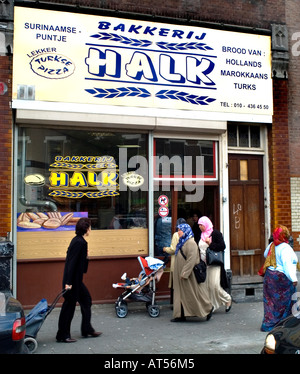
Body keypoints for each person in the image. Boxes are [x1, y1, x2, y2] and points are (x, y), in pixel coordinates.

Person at [56, 217, 102, 343]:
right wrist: (68, 283)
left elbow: (82, 269)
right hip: (72, 282)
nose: (90, 229)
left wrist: (86, 258)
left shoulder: (78, 241)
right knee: (69, 307)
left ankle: (87, 328)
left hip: (76, 281)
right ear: (86, 228)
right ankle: (63, 335)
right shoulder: (79, 242)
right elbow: (71, 264)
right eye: (90, 227)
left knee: (86, 300)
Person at [171, 223, 213, 322]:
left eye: (180, 230)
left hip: (188, 275)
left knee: (194, 294)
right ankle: (180, 315)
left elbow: (191, 259)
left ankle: (208, 309)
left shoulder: (191, 243)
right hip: (181, 274)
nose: (178, 232)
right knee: (180, 294)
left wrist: (185, 273)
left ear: (185, 231)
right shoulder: (182, 242)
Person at [261, 224, 299, 332]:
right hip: (281, 278)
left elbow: (265, 255)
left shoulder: (272, 245)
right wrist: (293, 279)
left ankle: (269, 323)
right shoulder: (286, 248)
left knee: (270, 301)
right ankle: (285, 323)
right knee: (288, 300)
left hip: (270, 277)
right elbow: (287, 265)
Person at [198, 216, 232, 312]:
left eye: (201, 225)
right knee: (207, 286)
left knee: (214, 285)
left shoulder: (215, 234)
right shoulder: (201, 235)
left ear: (206, 224)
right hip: (204, 264)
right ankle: (211, 306)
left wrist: (210, 244)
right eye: (199, 225)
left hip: (214, 264)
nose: (200, 226)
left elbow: (222, 246)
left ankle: (227, 299)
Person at [163, 218, 186, 302]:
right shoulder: (189, 234)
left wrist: (165, 249)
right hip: (185, 262)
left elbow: (173, 249)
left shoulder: (176, 235)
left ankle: (174, 302)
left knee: (174, 284)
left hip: (176, 261)